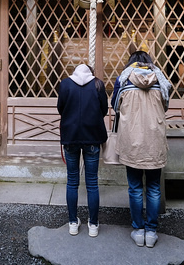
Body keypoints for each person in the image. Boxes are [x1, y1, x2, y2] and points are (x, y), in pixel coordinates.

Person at [111, 50, 171, 248]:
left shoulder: (123, 79)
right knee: (153, 188)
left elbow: (115, 106)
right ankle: (151, 232)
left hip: (132, 140)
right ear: (149, 62)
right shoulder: (160, 77)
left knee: (135, 188)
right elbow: (166, 104)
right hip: (154, 140)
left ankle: (138, 230)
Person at [57, 63, 108, 237]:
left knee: (72, 181)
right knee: (92, 182)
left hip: (71, 136)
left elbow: (60, 109)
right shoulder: (98, 84)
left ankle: (73, 222)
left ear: (74, 72)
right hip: (92, 136)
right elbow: (104, 110)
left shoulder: (65, 84)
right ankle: (93, 225)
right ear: (91, 72)